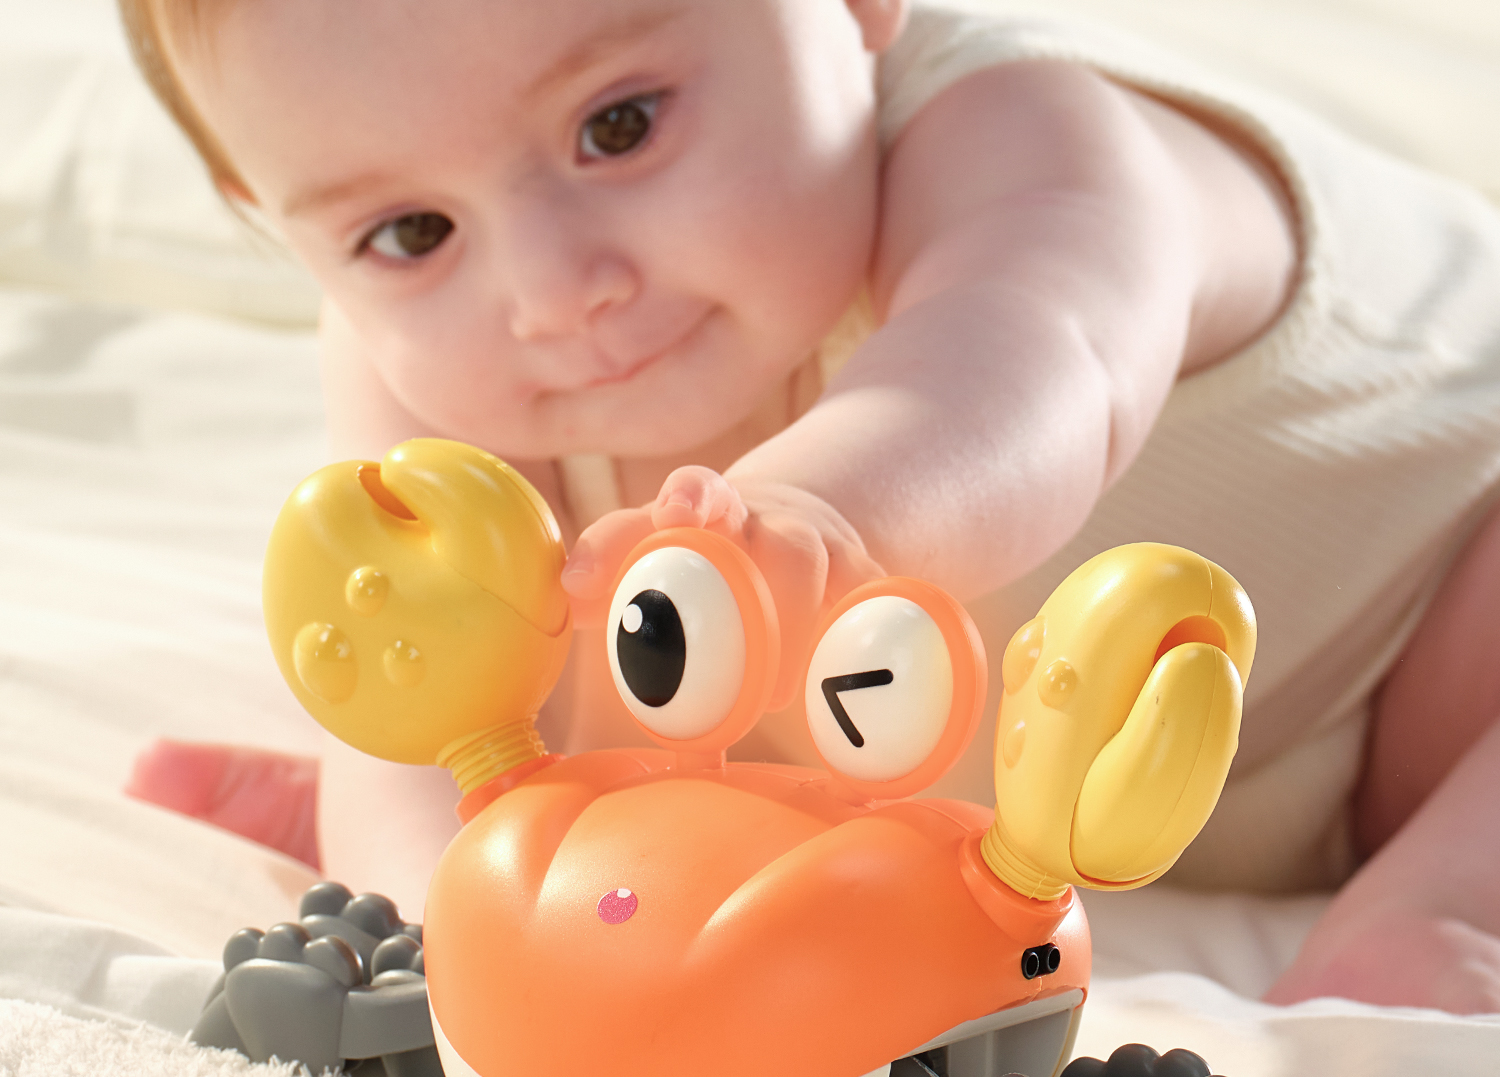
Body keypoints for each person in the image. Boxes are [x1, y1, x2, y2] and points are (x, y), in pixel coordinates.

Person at [118, 0, 1500, 1014]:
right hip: (1040, 786)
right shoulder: (420, 352)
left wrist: (805, 522)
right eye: (409, 232)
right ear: (272, 211)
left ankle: (1435, 912)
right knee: (496, 713)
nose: (553, 292)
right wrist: (451, 913)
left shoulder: (1026, 141)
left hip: (1422, 649)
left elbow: (1032, 373)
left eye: (617, 126)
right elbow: (423, 662)